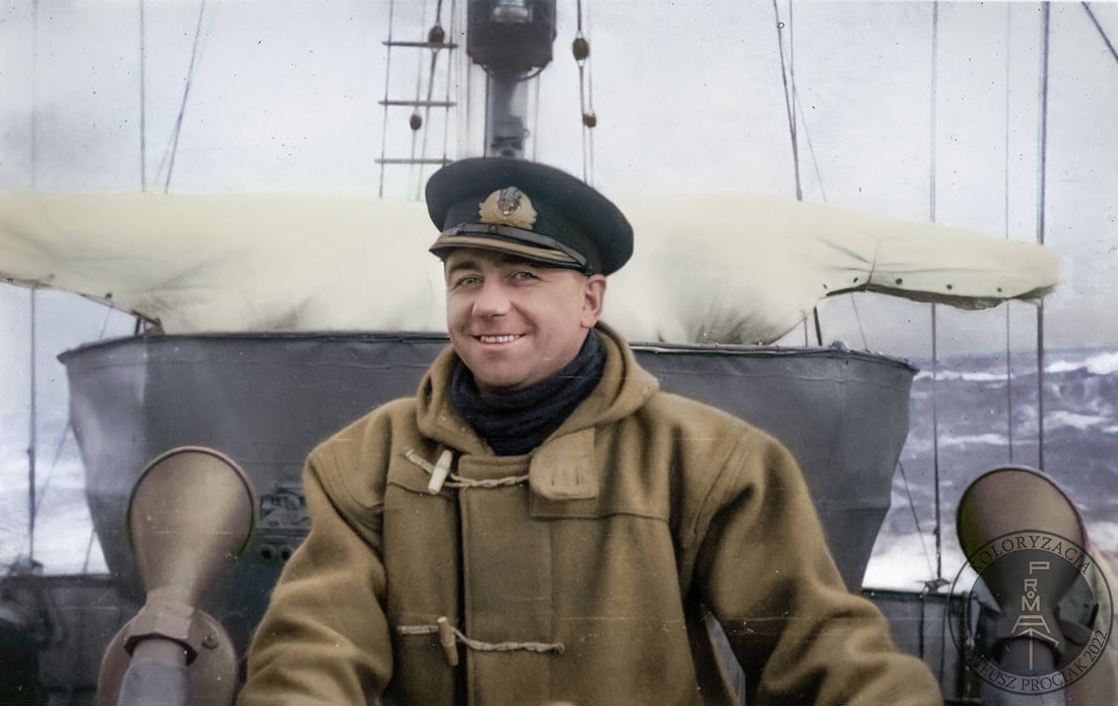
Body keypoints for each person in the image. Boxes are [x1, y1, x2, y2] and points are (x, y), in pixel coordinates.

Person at [237, 158, 944, 706]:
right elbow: (315, 650)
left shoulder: (710, 462)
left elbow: (820, 648)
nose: (488, 305)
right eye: (466, 278)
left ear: (590, 299)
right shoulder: (363, 462)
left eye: (523, 276)